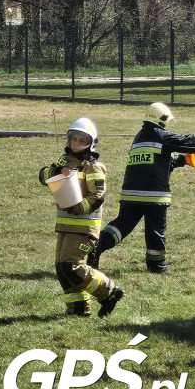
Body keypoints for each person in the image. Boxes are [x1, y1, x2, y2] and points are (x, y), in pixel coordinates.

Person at [89, 102, 195, 273]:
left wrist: (181, 160)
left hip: (131, 195)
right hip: (154, 196)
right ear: (161, 120)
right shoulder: (160, 135)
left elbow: (155, 162)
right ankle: (157, 266)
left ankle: (96, 247)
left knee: (121, 225)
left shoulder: (139, 138)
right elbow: (188, 142)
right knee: (156, 232)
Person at [38, 118, 124, 317]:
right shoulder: (63, 161)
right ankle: (78, 309)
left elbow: (97, 197)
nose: (77, 144)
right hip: (65, 225)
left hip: (84, 227)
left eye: (82, 141)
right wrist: (56, 172)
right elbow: (43, 176)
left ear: (91, 143)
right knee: (62, 268)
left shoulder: (93, 167)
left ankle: (109, 292)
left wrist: (77, 207)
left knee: (72, 266)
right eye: (74, 140)